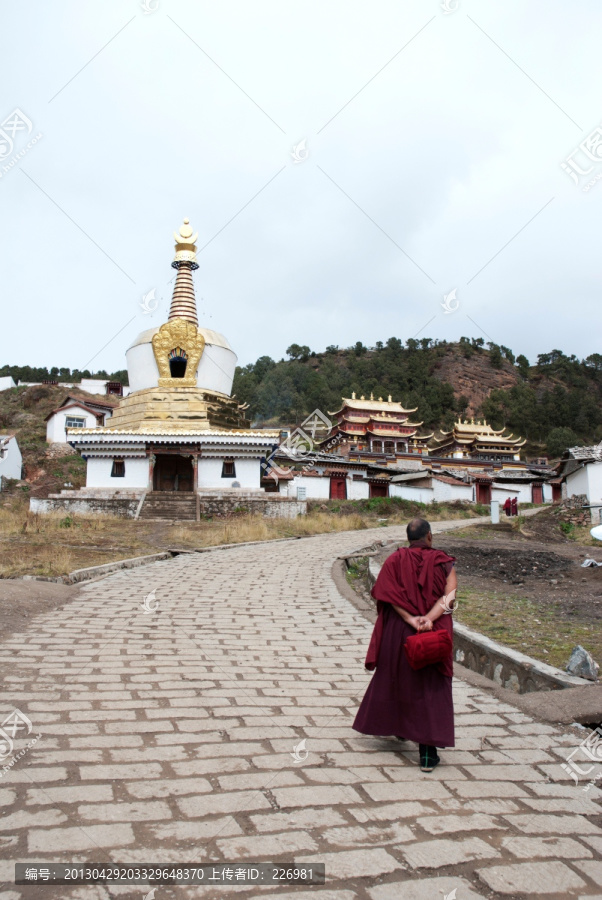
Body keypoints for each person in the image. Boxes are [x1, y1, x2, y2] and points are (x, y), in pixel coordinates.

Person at [353, 518, 457, 772]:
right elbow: (450, 596)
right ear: (429, 537)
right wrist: (430, 620)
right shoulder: (443, 561)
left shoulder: (394, 560)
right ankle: (427, 754)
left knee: (399, 678)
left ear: (408, 539)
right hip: (434, 632)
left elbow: (387, 595)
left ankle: (400, 729)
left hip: (401, 631)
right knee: (430, 685)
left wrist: (411, 619)